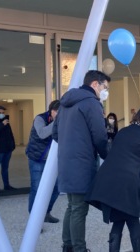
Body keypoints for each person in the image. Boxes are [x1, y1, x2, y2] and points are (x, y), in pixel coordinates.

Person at [86, 106, 140, 252]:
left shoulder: (124, 131)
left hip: (109, 181)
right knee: (133, 222)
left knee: (118, 222)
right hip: (127, 186)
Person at [52, 70, 110, 252]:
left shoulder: (65, 103)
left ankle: (67, 246)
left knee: (72, 206)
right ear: (95, 84)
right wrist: (108, 155)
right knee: (79, 208)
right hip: (82, 163)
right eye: (105, 87)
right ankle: (79, 248)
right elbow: (100, 136)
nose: (105, 91)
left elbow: (55, 134)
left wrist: (72, 145)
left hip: (67, 161)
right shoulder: (91, 103)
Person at [26, 100, 61, 223]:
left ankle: (46, 213)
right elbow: (42, 133)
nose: (59, 114)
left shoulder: (62, 121)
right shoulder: (39, 119)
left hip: (53, 161)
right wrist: (58, 122)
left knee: (57, 187)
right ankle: (34, 221)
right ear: (51, 110)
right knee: (36, 188)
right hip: (37, 158)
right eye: (57, 111)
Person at [0, 105, 16, 190]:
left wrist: (13, 145)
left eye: (3, 113)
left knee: (5, 168)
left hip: (8, 149)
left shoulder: (6, 121)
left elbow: (10, 133)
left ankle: (7, 185)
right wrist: (2, 124)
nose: (1, 114)